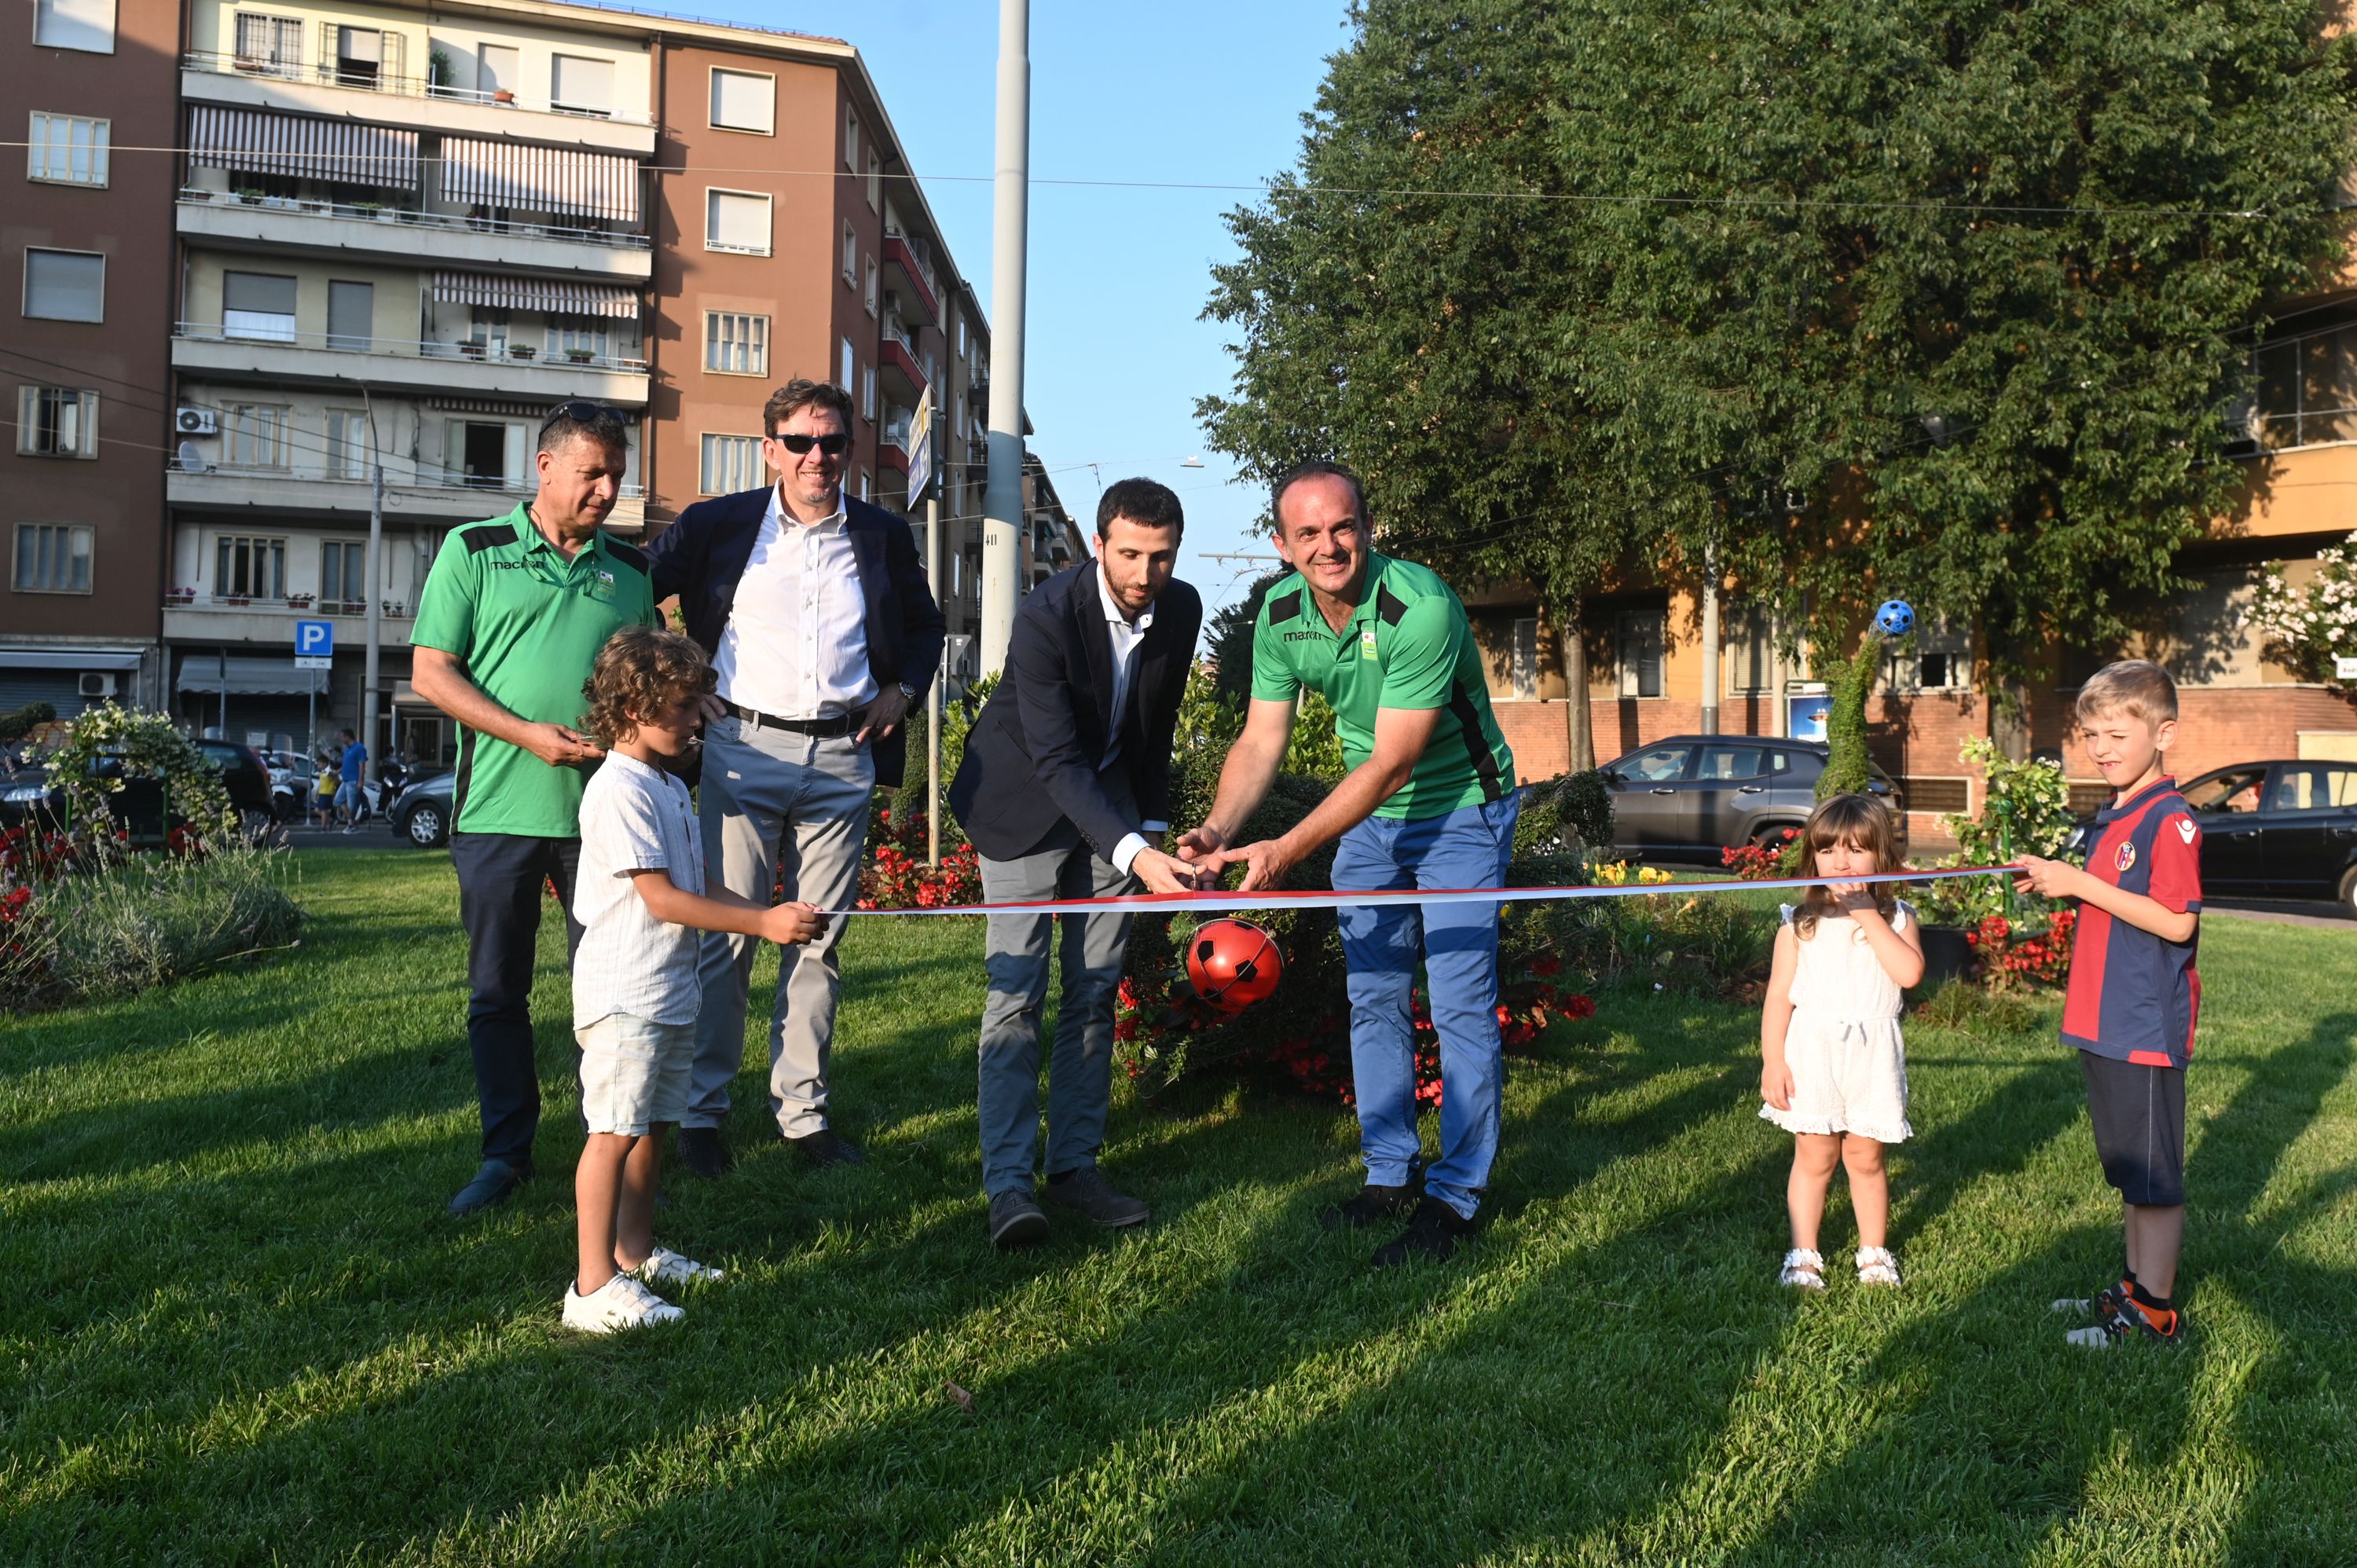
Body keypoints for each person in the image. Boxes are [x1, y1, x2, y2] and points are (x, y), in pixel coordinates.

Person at [1179, 461, 1519, 1268]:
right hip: (1373, 822)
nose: (1329, 545)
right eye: (1309, 533)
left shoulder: (1419, 606)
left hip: (1461, 807)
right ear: (1281, 543)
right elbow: (1263, 740)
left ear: (1368, 526)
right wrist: (1218, 828)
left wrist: (1287, 847)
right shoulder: (1280, 613)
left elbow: (1394, 764)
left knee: (1462, 1003)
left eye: (1343, 527)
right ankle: (1389, 1174)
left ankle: (1456, 1194)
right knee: (1372, 995)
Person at [647, 379, 944, 1178]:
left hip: (843, 756)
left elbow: (925, 626)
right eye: (803, 442)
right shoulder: (720, 524)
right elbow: (635, 586)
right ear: (770, 447)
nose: (819, 457)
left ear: (849, 450)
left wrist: (902, 691)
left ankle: (803, 1118)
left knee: (819, 941)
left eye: (833, 443)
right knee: (729, 939)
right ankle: (702, 1116)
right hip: (740, 749)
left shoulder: (881, 534)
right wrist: (681, 681)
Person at [412, 401, 662, 1215]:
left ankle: (612, 1140)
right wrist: (528, 735)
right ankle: (505, 1154)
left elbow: (644, 694)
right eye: (591, 473)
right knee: (498, 991)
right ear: (545, 468)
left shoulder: (630, 571)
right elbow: (432, 675)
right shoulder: (473, 551)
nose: (606, 490)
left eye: (616, 475)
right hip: (498, 810)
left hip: (603, 823)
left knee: (616, 993)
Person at [948, 478, 1204, 1248]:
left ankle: (1075, 1168)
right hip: (1021, 806)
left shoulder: (1182, 608)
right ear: (1099, 545)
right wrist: (1138, 853)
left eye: (1160, 557)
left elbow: (1156, 732)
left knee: (1093, 993)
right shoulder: (1046, 615)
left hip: (1117, 809)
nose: (1144, 573)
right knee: (1017, 993)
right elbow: (1057, 759)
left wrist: (1153, 835)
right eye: (1129, 553)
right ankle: (1008, 1187)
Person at [564, 625, 821, 1333]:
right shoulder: (617, 791)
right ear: (629, 710)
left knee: (651, 1126)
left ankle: (637, 1252)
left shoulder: (668, 784)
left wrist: (767, 910)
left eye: (693, 705)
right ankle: (591, 1287)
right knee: (612, 1132)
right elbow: (662, 899)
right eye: (678, 707)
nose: (691, 720)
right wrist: (761, 928)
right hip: (627, 995)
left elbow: (697, 880)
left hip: (668, 989)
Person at [2016, 658, 2201, 1348]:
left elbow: (2177, 920)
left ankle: (2153, 1314)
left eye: (2117, 734)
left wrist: (2081, 885)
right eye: (2090, 734)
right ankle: (2129, 1291)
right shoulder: (2115, 813)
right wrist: (2057, 879)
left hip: (2144, 1024)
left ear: (2164, 735)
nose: (2100, 749)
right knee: (2128, 1166)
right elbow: (2104, 897)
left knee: (2153, 1175)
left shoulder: (2169, 820)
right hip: (2102, 1019)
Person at [1758, 793, 1925, 1290]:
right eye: (1829, 851)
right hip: (1812, 1053)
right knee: (1814, 1157)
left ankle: (1873, 1252)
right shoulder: (1800, 923)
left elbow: (1910, 973)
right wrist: (1773, 1061)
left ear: (1882, 858)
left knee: (1866, 1158)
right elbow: (1777, 1000)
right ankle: (1804, 1253)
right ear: (1813, 857)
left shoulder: (1897, 918)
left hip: (1873, 1056)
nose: (1842, 862)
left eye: (1856, 850)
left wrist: (1866, 913)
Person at [336, 728, 368, 832]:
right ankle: (352, 822)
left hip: (353, 781)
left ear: (347, 737)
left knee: (352, 805)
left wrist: (360, 781)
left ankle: (352, 824)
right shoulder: (347, 749)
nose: (341, 739)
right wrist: (336, 772)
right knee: (338, 800)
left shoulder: (359, 748)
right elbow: (345, 765)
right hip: (345, 781)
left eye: (342, 736)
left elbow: (362, 765)